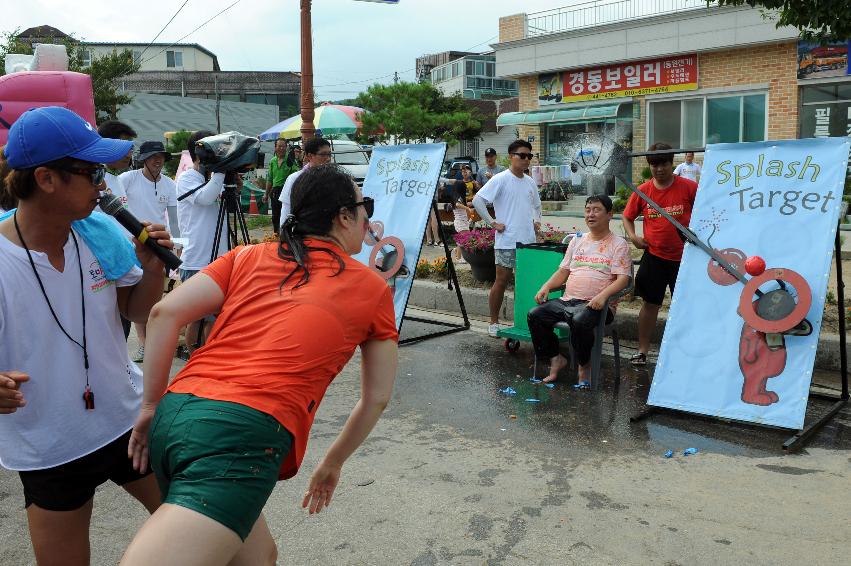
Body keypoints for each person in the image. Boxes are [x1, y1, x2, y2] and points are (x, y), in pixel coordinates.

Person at [120, 164, 398, 566]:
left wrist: (149, 407)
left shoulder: (247, 256)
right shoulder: (371, 287)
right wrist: (333, 462)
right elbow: (377, 398)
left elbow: (164, 314)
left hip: (176, 412)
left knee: (257, 557)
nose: (367, 217)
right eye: (363, 206)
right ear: (343, 217)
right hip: (242, 430)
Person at [0, 106, 173, 566]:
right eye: (92, 171)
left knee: (213, 536)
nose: (104, 183)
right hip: (50, 445)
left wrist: (153, 266)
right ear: (46, 179)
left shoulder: (99, 234)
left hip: (126, 421)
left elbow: (134, 310)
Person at [527, 195, 631, 387]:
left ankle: (584, 367)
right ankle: (556, 358)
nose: (591, 214)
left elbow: (623, 279)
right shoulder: (577, 240)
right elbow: (563, 271)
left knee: (580, 320)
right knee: (535, 315)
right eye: (587, 210)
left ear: (610, 214)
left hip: (598, 305)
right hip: (569, 301)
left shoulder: (618, 244)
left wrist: (603, 296)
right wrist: (547, 286)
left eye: (596, 210)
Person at [622, 142, 698, 366]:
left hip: (685, 258)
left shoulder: (688, 187)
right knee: (650, 304)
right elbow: (627, 217)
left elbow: (706, 213)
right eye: (654, 165)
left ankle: (684, 352)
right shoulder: (643, 191)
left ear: (671, 162)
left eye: (664, 164)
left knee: (684, 306)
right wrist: (634, 237)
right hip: (654, 256)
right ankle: (642, 350)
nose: (659, 169)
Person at [472, 140, 542, 338]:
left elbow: (537, 206)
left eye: (529, 156)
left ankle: (521, 321)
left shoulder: (529, 182)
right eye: (522, 155)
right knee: (501, 281)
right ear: (511, 156)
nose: (526, 159)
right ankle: (494, 322)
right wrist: (492, 222)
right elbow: (478, 200)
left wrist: (537, 223)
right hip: (507, 241)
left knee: (525, 283)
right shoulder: (500, 178)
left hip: (528, 243)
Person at [120, 141, 179, 362]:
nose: (158, 160)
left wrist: (177, 245)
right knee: (136, 291)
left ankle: (150, 341)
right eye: (153, 156)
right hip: (130, 244)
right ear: (144, 159)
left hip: (158, 246)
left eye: (161, 156)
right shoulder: (127, 179)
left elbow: (173, 220)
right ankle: (144, 343)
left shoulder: (169, 185)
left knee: (153, 294)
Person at [176, 130, 228, 353]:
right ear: (199, 153)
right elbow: (206, 198)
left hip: (218, 256)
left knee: (213, 318)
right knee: (197, 319)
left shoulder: (210, 179)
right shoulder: (188, 178)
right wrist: (220, 171)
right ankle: (195, 359)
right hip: (197, 259)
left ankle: (210, 357)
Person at [97, 120, 138, 339]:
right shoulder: (96, 179)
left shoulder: (117, 179)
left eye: (130, 147)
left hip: (124, 263)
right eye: (123, 146)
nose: (128, 153)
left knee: (123, 326)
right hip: (104, 269)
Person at [278, 136, 332, 228]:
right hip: (302, 234)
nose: (328, 159)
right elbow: (286, 210)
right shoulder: (294, 179)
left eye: (329, 154)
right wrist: (284, 236)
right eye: (323, 154)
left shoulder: (333, 178)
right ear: (309, 156)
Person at [264, 139, 300, 234]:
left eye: (283, 146)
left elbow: (296, 176)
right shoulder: (272, 161)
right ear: (275, 147)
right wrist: (266, 194)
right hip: (275, 191)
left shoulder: (291, 160)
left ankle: (286, 235)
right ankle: (276, 234)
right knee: (275, 215)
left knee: (286, 214)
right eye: (279, 146)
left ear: (286, 147)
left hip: (287, 191)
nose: (281, 148)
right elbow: (270, 179)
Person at [450, 177, 473, 263]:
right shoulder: (458, 198)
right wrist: (467, 208)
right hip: (460, 222)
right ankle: (459, 258)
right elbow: (457, 204)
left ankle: (457, 251)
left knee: (465, 239)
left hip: (463, 222)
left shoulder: (461, 198)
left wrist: (469, 218)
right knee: (463, 240)